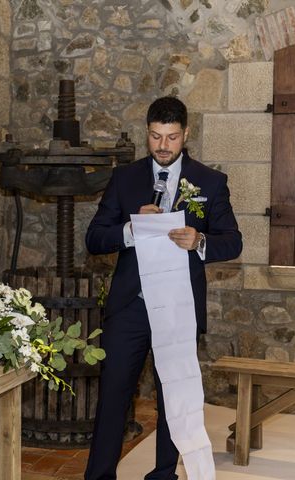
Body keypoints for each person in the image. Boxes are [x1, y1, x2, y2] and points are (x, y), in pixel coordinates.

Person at [84, 96, 242, 480]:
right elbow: (94, 238)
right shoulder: (125, 178)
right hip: (130, 307)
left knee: (174, 397)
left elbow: (233, 241)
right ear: (147, 134)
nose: (163, 146)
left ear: (185, 134)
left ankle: (163, 475)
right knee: (113, 399)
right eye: (155, 137)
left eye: (171, 137)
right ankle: (99, 476)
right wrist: (131, 229)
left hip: (179, 306)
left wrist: (199, 240)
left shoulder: (209, 181)